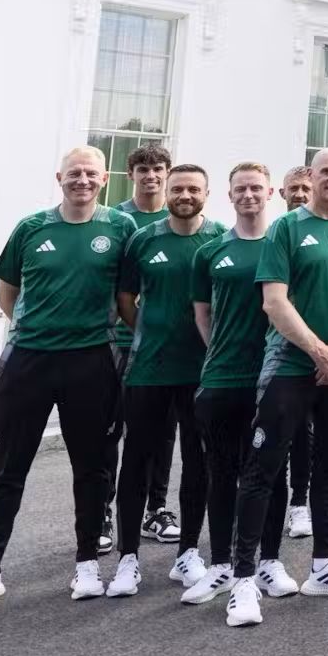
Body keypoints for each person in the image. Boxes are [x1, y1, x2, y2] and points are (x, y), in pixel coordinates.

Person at [0, 147, 136, 611]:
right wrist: (36, 331)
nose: (82, 180)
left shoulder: (120, 228)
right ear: (60, 178)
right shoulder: (32, 228)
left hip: (92, 363)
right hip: (29, 362)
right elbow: (9, 291)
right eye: (74, 173)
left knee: (91, 469)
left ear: (105, 179)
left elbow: (128, 293)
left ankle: (86, 564)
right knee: (8, 469)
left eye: (91, 174)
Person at [223, 147, 328, 628]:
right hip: (291, 367)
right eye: (326, 171)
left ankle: (324, 567)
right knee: (261, 471)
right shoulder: (287, 228)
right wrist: (320, 351)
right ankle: (244, 580)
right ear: (309, 177)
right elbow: (274, 301)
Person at [106, 164, 226, 598]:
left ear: (206, 194)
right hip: (149, 370)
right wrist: (149, 332)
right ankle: (127, 559)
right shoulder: (144, 239)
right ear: (168, 192)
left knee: (198, 461)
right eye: (178, 188)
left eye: (193, 188)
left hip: (201, 371)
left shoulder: (219, 240)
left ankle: (189, 553)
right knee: (136, 460)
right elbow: (125, 297)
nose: (185, 194)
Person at [183, 163, 295, 607]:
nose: (248, 195)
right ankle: (222, 564)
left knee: (271, 472)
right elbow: (202, 314)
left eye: (256, 188)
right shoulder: (210, 252)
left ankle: (269, 560)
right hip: (221, 378)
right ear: (228, 196)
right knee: (222, 473)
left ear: (270, 193)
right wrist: (220, 354)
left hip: (272, 377)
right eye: (240, 189)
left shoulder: (282, 246)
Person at [107, 144, 176, 553]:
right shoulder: (117, 220)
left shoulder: (179, 217)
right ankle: (103, 513)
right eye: (143, 169)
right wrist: (137, 329)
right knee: (109, 430)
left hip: (165, 349)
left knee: (162, 434)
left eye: (158, 169)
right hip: (119, 344)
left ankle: (157, 509)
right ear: (130, 174)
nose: (151, 175)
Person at [278, 164, 315, 538]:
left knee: (304, 432)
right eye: (295, 189)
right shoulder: (276, 233)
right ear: (282, 193)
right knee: (270, 432)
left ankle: (299, 503)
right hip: (273, 350)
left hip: (310, 350)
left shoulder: (326, 232)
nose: (301, 194)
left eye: (307, 188)